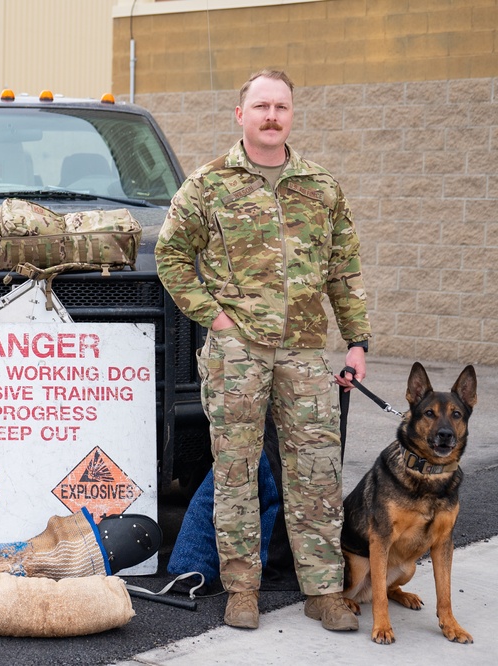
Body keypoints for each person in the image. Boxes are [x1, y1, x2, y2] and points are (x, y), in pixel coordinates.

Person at [155, 69, 370, 632]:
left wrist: (357, 343)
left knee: (317, 474)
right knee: (236, 473)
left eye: (281, 107)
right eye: (261, 107)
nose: (272, 116)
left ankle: (323, 592)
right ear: (240, 115)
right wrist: (218, 319)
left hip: (304, 353)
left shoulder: (321, 188)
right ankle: (242, 589)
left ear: (291, 115)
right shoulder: (209, 185)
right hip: (237, 356)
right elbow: (171, 257)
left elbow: (344, 270)